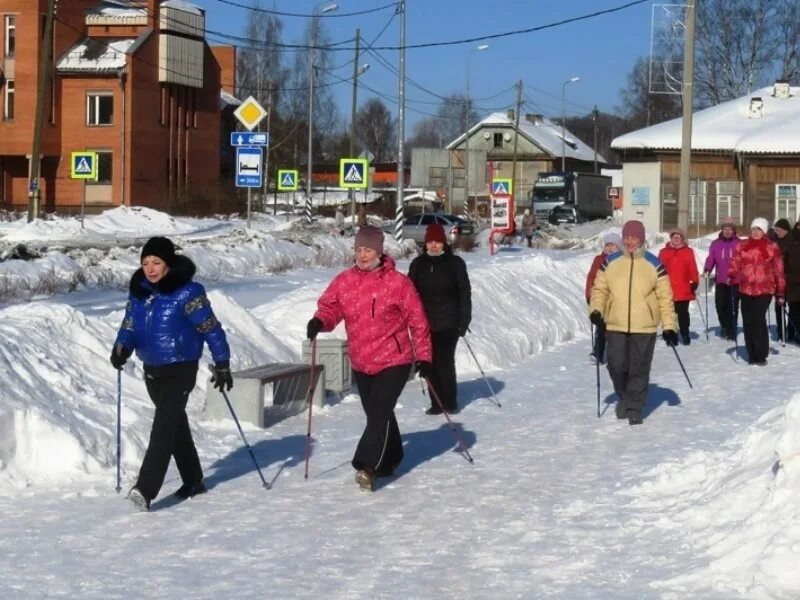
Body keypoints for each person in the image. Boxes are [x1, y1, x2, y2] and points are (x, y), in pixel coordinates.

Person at [306, 226, 432, 491]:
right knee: (378, 414)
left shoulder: (398, 283)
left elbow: (418, 322)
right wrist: (319, 321)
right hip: (362, 360)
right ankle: (392, 456)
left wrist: (424, 357)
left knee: (378, 413)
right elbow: (330, 308)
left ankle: (367, 465)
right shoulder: (344, 281)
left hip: (394, 359)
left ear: (379, 251)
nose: (363, 255)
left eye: (368, 250)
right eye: (359, 249)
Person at [111, 236, 232, 511]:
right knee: (174, 423)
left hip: (181, 366)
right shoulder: (140, 292)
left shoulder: (187, 293)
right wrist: (121, 347)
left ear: (169, 264)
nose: (150, 268)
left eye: (156, 262)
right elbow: (130, 324)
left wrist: (222, 362)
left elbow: (211, 328)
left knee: (163, 425)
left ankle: (145, 489)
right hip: (152, 368)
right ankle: (193, 479)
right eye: (145, 263)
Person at [589, 220, 677, 425]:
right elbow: (600, 289)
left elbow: (665, 297)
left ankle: (635, 407)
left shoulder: (654, 264)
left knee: (639, 367)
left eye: (634, 238)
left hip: (644, 327)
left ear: (641, 239)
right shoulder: (610, 262)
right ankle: (624, 396)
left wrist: (670, 326)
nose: (629, 242)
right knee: (616, 366)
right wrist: (596, 310)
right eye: (626, 237)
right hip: (615, 324)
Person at [408, 223, 472, 415]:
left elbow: (464, 293)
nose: (434, 245)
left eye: (437, 242)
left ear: (444, 243)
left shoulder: (455, 264)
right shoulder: (418, 264)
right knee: (429, 362)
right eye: (430, 242)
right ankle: (436, 402)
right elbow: (409, 293)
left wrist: (464, 321)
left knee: (444, 361)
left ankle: (450, 401)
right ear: (425, 243)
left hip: (449, 322)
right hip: (425, 323)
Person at [727, 218, 785, 366]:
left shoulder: (772, 247)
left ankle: (761, 353)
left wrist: (780, 291)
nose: (756, 232)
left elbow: (779, 270)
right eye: (754, 229)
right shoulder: (742, 245)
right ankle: (751, 353)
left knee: (758, 320)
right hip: (745, 289)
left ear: (764, 231)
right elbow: (735, 262)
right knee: (747, 321)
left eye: (759, 229)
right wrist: (733, 275)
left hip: (764, 289)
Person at [584, 231, 621, 363]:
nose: (609, 248)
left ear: (619, 247)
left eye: (613, 245)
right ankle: (598, 353)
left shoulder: (623, 261)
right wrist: (590, 295)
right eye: (607, 245)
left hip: (618, 300)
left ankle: (617, 353)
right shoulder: (599, 259)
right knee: (601, 327)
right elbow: (591, 278)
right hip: (601, 299)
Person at [658, 228, 700, 345]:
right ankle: (671, 335)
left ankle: (685, 333)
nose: (676, 238)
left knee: (682, 313)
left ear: (682, 238)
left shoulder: (688, 251)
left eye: (678, 236)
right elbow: (658, 269)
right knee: (669, 313)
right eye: (674, 236)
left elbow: (692, 268)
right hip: (667, 287)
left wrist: (694, 281)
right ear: (671, 238)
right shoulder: (663, 252)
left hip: (683, 287)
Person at [703, 217, 742, 340]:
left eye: (730, 229)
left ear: (734, 230)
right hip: (721, 280)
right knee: (720, 306)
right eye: (725, 229)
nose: (727, 231)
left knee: (732, 307)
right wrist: (707, 269)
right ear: (722, 230)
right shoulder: (716, 244)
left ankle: (731, 331)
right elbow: (711, 259)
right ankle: (724, 326)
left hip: (735, 281)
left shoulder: (739, 243)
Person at [770, 218, 791, 341]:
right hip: (778, 279)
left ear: (785, 230)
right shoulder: (774, 241)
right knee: (779, 306)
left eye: (779, 230)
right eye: (776, 230)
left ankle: (792, 331)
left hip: (791, 279)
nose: (777, 232)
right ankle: (780, 332)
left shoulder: (792, 241)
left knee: (793, 308)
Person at [784, 221, 800, 343]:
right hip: (793, 280)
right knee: (794, 309)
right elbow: (784, 260)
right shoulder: (790, 239)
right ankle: (790, 333)